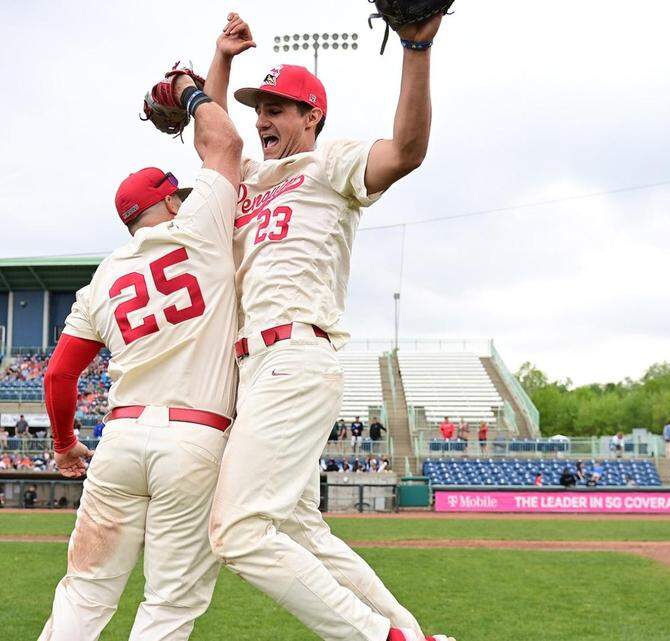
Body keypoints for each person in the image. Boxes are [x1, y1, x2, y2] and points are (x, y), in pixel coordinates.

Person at [203, 11, 452, 641]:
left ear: (313, 117)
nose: (264, 118)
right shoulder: (252, 178)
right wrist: (221, 61)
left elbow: (407, 151)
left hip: (295, 352)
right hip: (255, 366)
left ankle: (380, 639)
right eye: (260, 107)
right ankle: (411, 634)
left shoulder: (329, 163)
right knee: (298, 527)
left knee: (237, 530)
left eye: (279, 108)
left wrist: (416, 48)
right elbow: (215, 141)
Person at [35, 44, 244, 641]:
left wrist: (65, 443)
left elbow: (58, 377)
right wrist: (192, 92)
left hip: (119, 440)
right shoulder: (199, 225)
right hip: (194, 438)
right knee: (169, 604)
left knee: (84, 590)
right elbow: (224, 147)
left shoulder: (103, 275)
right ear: (169, 200)